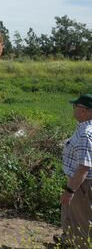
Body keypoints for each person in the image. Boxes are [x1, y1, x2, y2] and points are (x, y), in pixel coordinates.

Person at [55, 93, 92, 248]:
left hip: (80, 185)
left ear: (84, 111)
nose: (73, 109)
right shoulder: (85, 129)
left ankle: (82, 245)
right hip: (78, 182)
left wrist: (70, 190)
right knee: (69, 214)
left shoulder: (85, 134)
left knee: (82, 220)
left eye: (75, 106)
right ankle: (67, 241)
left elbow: (84, 167)